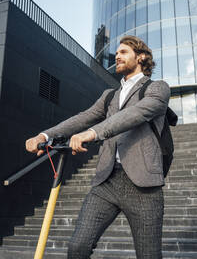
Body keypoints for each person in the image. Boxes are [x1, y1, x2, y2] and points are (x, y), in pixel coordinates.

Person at [26, 35, 170, 259]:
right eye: (118, 53)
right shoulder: (109, 95)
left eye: (124, 52)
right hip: (107, 182)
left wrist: (93, 133)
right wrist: (44, 134)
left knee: (149, 255)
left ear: (141, 57)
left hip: (144, 186)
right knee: (78, 248)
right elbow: (83, 118)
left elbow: (136, 114)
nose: (118, 56)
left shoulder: (158, 88)